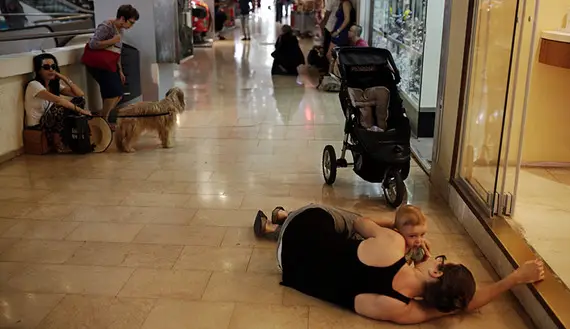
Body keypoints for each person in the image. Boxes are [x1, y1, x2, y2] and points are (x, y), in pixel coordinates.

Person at [259, 204, 545, 324]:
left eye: (441, 260)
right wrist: (514, 279)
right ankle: (279, 225)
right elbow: (462, 304)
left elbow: (361, 223)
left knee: (348, 219)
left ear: (435, 270)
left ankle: (284, 215)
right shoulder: (404, 311)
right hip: (287, 264)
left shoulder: (393, 245)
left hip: (304, 227)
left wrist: (397, 232)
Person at [84, 4, 139, 128]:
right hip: (99, 65)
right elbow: (93, 44)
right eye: (130, 22)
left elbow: (117, 51)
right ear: (122, 18)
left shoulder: (120, 30)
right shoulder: (107, 26)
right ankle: (103, 119)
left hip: (110, 65)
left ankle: (103, 118)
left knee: (117, 94)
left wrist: (120, 70)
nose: (131, 26)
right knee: (114, 92)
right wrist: (112, 41)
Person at [25, 53, 91, 153]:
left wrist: (64, 78)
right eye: (46, 67)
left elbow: (79, 94)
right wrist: (82, 111)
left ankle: (69, 138)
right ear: (39, 70)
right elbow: (58, 100)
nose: (51, 70)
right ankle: (57, 141)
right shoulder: (34, 85)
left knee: (79, 101)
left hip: (52, 121)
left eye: (53, 67)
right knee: (59, 107)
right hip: (39, 124)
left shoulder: (54, 85)